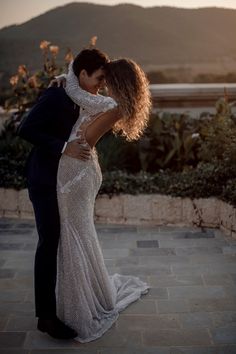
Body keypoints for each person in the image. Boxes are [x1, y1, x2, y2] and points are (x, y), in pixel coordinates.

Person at [55, 56, 152, 342]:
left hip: (76, 173)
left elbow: (84, 138)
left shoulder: (112, 106)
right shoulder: (110, 105)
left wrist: (71, 78)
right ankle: (84, 297)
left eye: (106, 80)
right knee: (79, 234)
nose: (102, 85)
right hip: (81, 172)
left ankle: (80, 308)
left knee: (74, 235)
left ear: (117, 82)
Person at [17, 48, 110, 339]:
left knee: (61, 241)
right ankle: (45, 317)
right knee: (49, 241)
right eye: (98, 78)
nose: (101, 85)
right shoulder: (56, 95)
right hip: (45, 180)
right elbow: (25, 128)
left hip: (65, 183)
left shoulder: (76, 92)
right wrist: (63, 146)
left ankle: (66, 302)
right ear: (82, 74)